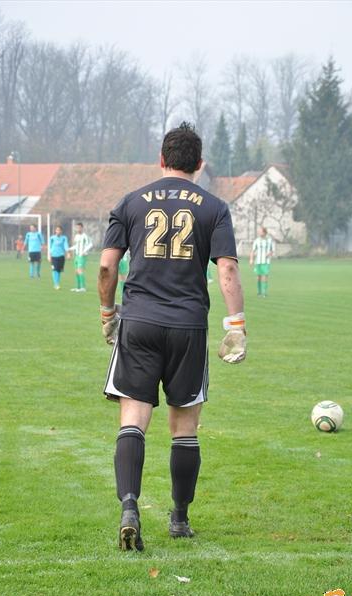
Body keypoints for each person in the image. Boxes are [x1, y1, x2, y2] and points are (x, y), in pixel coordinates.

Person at [98, 122, 246, 552]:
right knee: (185, 427)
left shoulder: (130, 202)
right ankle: (179, 518)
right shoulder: (214, 207)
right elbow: (227, 268)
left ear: (161, 160)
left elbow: (107, 266)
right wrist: (236, 326)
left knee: (133, 418)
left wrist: (108, 313)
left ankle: (130, 505)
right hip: (188, 326)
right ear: (199, 164)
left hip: (140, 322)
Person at [249, 227, 275, 297]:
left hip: (266, 262)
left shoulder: (269, 240)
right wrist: (251, 259)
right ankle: (259, 292)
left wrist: (269, 254)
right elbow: (253, 251)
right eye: (259, 231)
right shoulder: (257, 241)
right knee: (258, 276)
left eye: (261, 231)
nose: (259, 233)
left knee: (265, 276)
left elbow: (272, 250)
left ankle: (264, 292)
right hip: (258, 261)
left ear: (265, 232)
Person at [68, 222, 93, 292]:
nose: (78, 229)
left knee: (80, 270)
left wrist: (84, 251)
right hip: (76, 256)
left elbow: (90, 244)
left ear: (82, 228)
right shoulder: (76, 236)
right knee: (76, 271)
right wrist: (69, 249)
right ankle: (78, 287)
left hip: (82, 256)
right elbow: (76, 246)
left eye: (79, 228)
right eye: (77, 228)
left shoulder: (85, 236)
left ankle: (83, 287)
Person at [48, 225, 70, 290]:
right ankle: (56, 284)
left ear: (61, 231)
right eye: (57, 230)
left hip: (61, 256)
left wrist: (68, 253)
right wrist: (49, 255)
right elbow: (50, 247)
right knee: (54, 269)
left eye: (59, 230)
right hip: (54, 256)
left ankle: (57, 283)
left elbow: (66, 245)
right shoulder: (52, 238)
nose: (58, 231)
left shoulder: (64, 238)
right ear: (55, 231)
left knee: (58, 270)